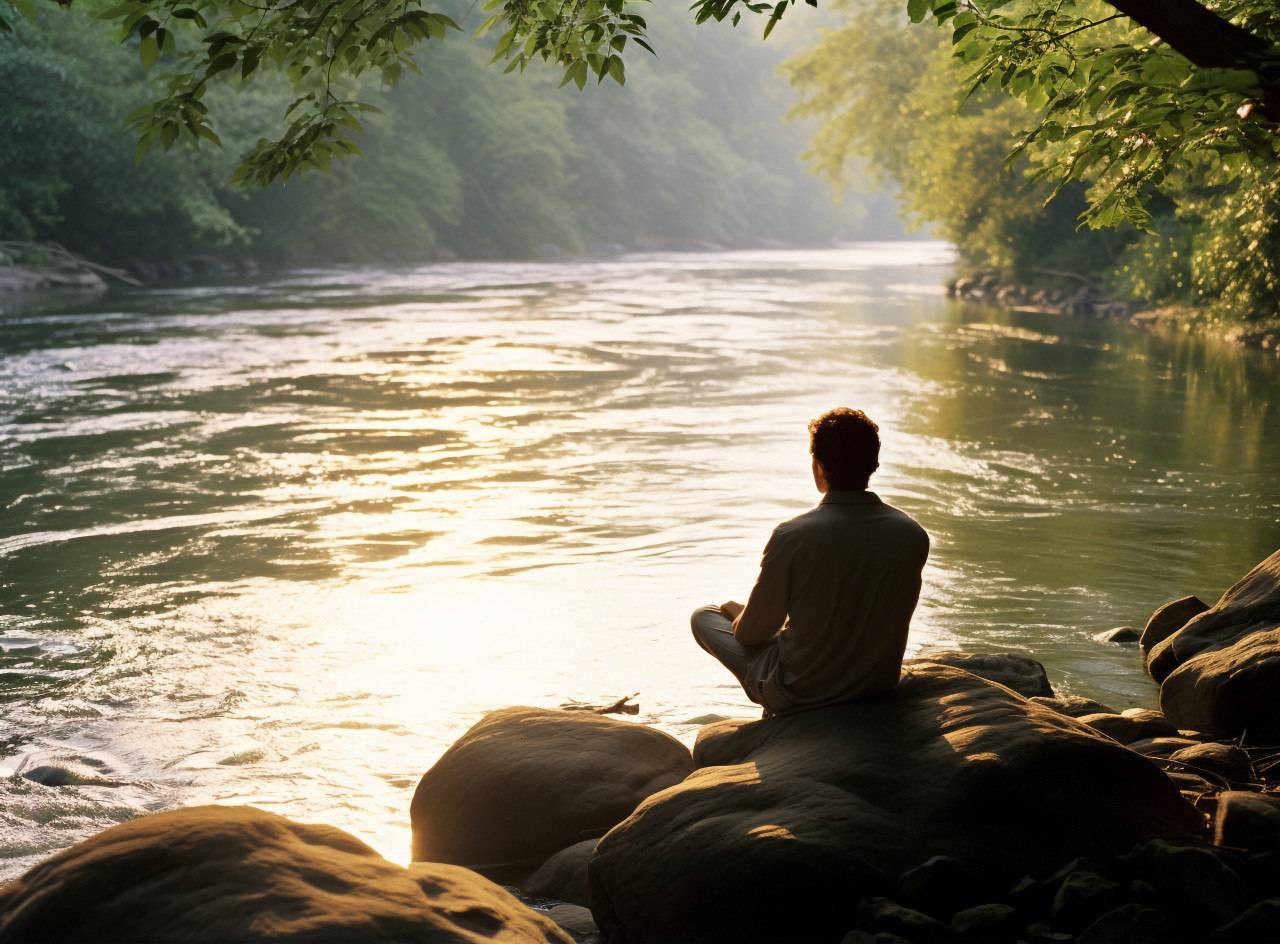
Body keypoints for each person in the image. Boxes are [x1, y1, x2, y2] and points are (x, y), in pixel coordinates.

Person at [691, 407, 929, 716]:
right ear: (874, 464)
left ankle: (775, 701)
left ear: (818, 466)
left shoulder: (792, 536)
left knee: (704, 617)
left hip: (802, 692)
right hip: (876, 685)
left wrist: (740, 615)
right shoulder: (912, 534)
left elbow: (749, 635)